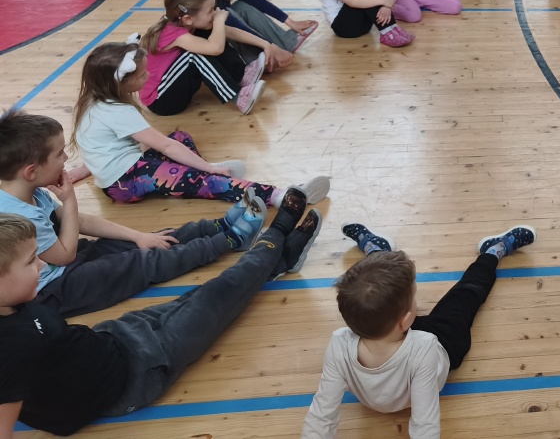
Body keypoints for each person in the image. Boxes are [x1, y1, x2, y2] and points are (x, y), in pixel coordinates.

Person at [0, 187, 323, 436]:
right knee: (220, 294)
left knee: (204, 296)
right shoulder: (12, 350)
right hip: (138, 374)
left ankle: (281, 260)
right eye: (30, 261)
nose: (42, 264)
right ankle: (276, 236)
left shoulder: (15, 300)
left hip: (115, 335)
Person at [0, 107, 267, 318]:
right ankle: (229, 240)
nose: (66, 159)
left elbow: (78, 222)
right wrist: (69, 201)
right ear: (31, 171)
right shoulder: (20, 216)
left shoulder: (29, 191)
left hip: (68, 260)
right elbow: (64, 255)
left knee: (147, 241)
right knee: (143, 262)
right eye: (60, 154)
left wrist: (137, 235)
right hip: (56, 289)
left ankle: (217, 226)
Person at [302, 224, 536, 438]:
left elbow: (321, 416)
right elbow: (425, 425)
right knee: (466, 295)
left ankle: (377, 250)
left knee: (375, 293)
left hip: (390, 339)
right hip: (443, 342)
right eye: (414, 296)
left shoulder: (339, 343)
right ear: (406, 321)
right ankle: (493, 251)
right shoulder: (426, 347)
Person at [71, 41, 328, 207]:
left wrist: (85, 169)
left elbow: (96, 144)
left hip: (122, 173)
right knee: (202, 179)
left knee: (180, 137)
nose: (148, 75)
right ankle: (283, 196)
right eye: (141, 75)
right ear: (119, 83)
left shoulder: (93, 100)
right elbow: (165, 147)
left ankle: (204, 173)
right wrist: (209, 168)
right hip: (125, 182)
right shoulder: (118, 111)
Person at [140, 0, 267, 116]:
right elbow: (216, 48)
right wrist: (218, 21)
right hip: (161, 101)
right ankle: (239, 97)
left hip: (173, 87)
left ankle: (241, 77)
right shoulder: (173, 33)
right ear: (188, 19)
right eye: (211, 10)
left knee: (210, 33)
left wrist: (265, 44)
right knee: (193, 56)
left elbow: (229, 32)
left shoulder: (185, 22)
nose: (215, 12)